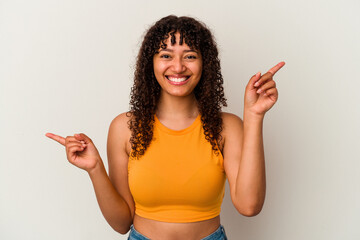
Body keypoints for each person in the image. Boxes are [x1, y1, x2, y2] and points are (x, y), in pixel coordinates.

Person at [46, 15, 285, 240]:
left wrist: (254, 115)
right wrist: (95, 168)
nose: (178, 66)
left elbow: (249, 205)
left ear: (205, 64)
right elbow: (121, 223)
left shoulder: (227, 127)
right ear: (151, 63)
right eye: (166, 56)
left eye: (190, 56)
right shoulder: (124, 128)